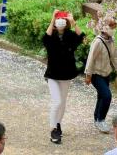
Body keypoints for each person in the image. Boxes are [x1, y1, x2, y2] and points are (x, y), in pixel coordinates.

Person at [42, 9, 84, 144]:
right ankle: (53, 129)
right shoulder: (51, 36)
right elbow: (45, 38)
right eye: (59, 20)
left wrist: (73, 21)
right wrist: (52, 19)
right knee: (57, 101)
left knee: (63, 102)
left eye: (63, 20)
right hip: (52, 75)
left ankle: (58, 124)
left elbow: (82, 37)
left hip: (66, 75)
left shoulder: (70, 35)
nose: (61, 22)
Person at [85, 17, 117, 133]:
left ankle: (96, 118)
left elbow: (114, 57)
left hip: (106, 73)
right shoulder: (98, 42)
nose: (114, 28)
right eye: (112, 25)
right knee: (107, 96)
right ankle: (101, 119)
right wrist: (88, 75)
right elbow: (91, 59)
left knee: (101, 96)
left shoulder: (111, 40)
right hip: (96, 74)